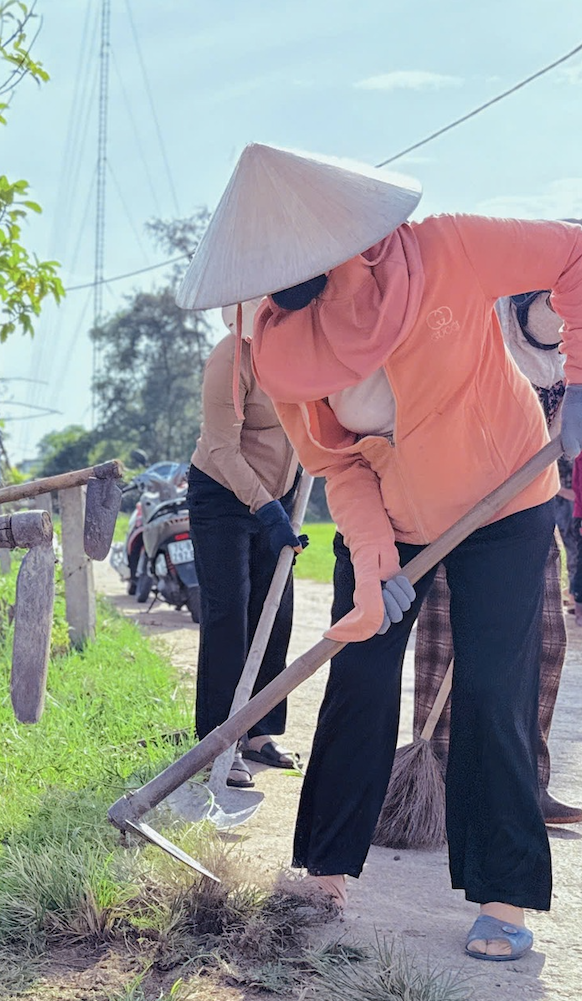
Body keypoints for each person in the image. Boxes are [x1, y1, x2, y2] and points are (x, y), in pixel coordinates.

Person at [177, 142, 582, 962]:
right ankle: (325, 869)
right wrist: (373, 561)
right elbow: (335, 463)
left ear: (350, 242)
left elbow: (573, 252)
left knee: (493, 689)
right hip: (394, 513)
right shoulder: (277, 345)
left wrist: (577, 378)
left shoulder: (446, 249)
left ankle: (504, 894)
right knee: (359, 669)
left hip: (505, 498)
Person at [412, 290, 582, 826]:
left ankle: (526, 784)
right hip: (458, 501)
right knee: (446, 642)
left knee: (548, 641)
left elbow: (553, 436)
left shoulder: (572, 350)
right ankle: (433, 785)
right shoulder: (486, 328)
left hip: (529, 504)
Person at [186, 297, 303, 790]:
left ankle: (257, 732)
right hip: (222, 495)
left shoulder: (306, 356)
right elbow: (220, 447)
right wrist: (265, 508)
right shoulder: (230, 359)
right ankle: (219, 739)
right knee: (229, 615)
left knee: (275, 614)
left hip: (280, 496)